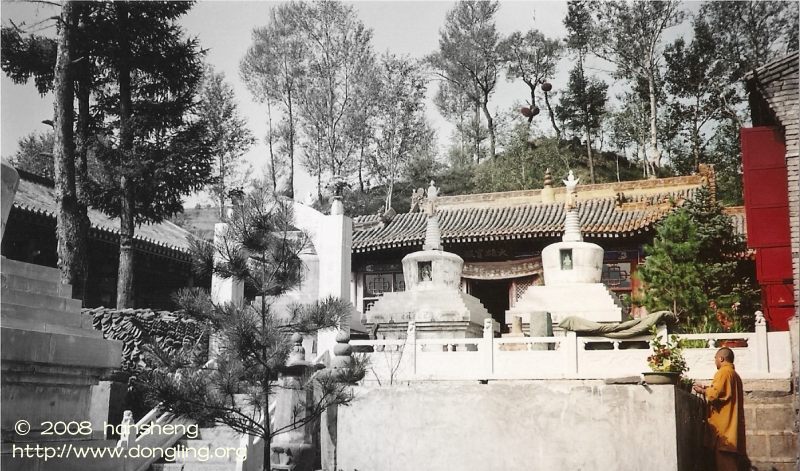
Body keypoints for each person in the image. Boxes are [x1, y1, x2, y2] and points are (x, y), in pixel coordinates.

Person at [693, 347, 747, 471]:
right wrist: (707, 387)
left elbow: (715, 394)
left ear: (721, 358)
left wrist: (703, 390)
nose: (715, 361)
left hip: (724, 430)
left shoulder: (724, 372)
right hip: (731, 427)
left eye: (715, 359)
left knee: (726, 465)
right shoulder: (734, 375)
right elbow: (725, 393)